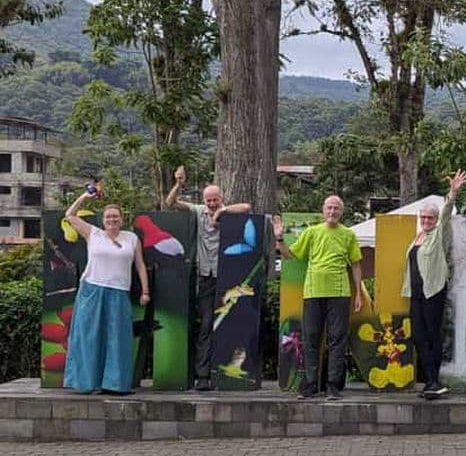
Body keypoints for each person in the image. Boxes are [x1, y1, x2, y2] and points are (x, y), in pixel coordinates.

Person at [165, 165, 252, 390]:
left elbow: (247, 207)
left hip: (228, 279)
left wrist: (222, 213)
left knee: (228, 325)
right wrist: (179, 184)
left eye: (215, 200)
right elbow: (170, 203)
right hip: (205, 276)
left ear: (221, 198)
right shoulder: (198, 210)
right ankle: (202, 376)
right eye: (208, 200)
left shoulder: (228, 212)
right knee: (205, 326)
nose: (211, 204)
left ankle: (227, 375)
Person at [272, 195, 363, 401]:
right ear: (323, 210)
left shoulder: (348, 235)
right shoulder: (312, 232)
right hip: (313, 292)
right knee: (310, 338)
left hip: (340, 293)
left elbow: (356, 264)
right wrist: (279, 238)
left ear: (342, 211)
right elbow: (289, 255)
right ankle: (311, 384)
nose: (332, 212)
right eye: (329, 208)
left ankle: (332, 385)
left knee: (337, 339)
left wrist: (358, 293)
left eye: (336, 208)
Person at [63, 188, 150, 394]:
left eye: (116, 217)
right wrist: (85, 196)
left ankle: (115, 384)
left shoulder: (131, 239)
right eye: (108, 217)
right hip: (92, 290)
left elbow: (139, 266)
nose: (112, 220)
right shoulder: (93, 233)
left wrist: (145, 291)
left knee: (117, 338)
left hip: (119, 292)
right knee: (89, 337)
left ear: (122, 219)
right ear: (103, 220)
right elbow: (69, 215)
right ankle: (86, 383)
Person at [401, 169, 466, 399]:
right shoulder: (416, 238)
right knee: (418, 336)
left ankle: (433, 381)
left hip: (433, 292)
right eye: (423, 217)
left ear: (435, 219)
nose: (426, 221)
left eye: (430, 217)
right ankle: (430, 381)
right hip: (416, 294)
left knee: (432, 335)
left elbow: (447, 213)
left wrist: (452, 193)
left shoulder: (439, 234)